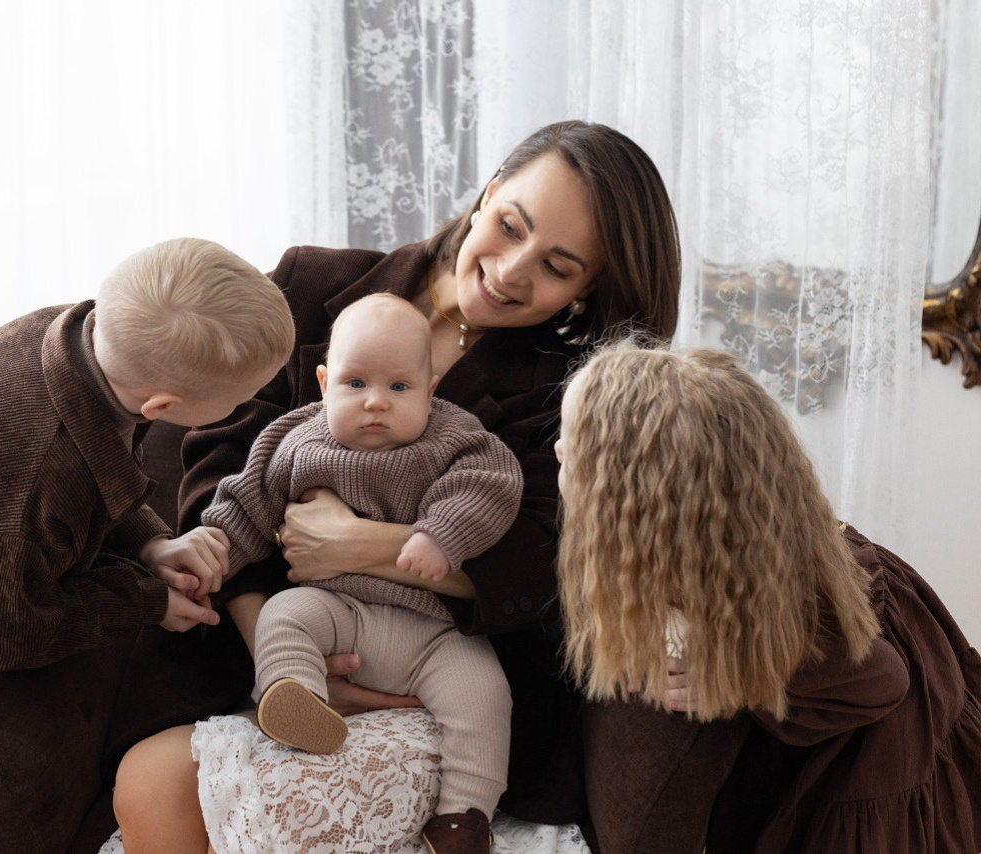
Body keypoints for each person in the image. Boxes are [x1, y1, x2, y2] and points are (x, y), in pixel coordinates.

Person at [109, 120, 683, 854]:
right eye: (510, 226)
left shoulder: (568, 396)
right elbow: (218, 468)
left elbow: (546, 568)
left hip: (433, 669)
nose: (510, 271)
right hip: (268, 641)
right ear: (491, 191)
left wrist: (363, 544)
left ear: (590, 286)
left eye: (557, 266)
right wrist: (281, 656)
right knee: (153, 782)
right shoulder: (311, 288)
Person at [0, 237, 295, 854]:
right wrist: (145, 601)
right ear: (163, 405)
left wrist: (147, 543)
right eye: (237, 400)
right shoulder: (30, 471)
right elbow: (6, 629)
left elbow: (98, 477)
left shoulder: (76, 339)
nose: (244, 407)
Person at [555, 344, 981, 854]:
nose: (557, 452)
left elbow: (883, 679)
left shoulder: (771, 596)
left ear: (642, 505)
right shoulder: (712, 538)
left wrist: (737, 671)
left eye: (572, 451)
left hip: (882, 745)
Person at [191, 293, 524, 852]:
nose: (376, 403)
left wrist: (440, 534)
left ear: (431, 390)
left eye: (399, 387)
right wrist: (212, 550)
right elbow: (247, 501)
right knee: (283, 614)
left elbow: (491, 486)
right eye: (355, 384)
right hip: (337, 612)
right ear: (323, 384)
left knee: (486, 694)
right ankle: (294, 695)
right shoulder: (294, 439)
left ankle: (463, 817)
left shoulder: (454, 438)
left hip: (434, 633)